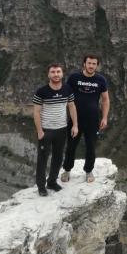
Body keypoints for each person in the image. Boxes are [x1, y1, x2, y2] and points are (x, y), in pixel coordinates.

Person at [62, 54, 110, 183]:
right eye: (89, 63)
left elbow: (105, 100)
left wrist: (104, 118)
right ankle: (67, 170)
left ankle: (89, 171)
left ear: (97, 65)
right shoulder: (74, 78)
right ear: (84, 64)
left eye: (94, 64)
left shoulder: (101, 80)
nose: (91, 66)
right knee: (71, 146)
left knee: (91, 147)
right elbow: (66, 96)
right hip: (75, 120)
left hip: (93, 120)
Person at [32, 63, 78, 196]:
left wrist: (75, 125)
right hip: (46, 130)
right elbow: (36, 112)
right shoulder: (41, 92)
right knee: (43, 159)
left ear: (62, 74)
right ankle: (41, 186)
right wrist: (40, 131)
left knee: (58, 157)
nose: (56, 74)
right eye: (53, 72)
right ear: (48, 74)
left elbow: (72, 106)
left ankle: (52, 181)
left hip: (61, 129)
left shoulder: (67, 89)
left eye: (58, 72)